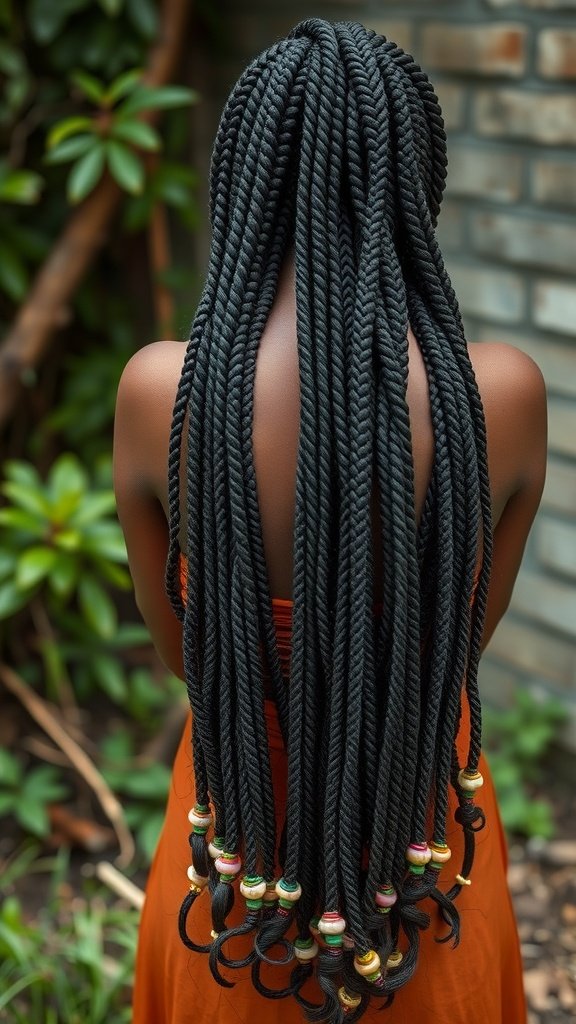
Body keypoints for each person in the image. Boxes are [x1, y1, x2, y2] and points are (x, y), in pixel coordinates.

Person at [113, 18, 547, 1024]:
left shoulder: (160, 393)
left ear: (243, 176)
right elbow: (457, 648)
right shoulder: (501, 397)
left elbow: (190, 656)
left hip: (235, 869)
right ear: (416, 172)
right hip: (417, 861)